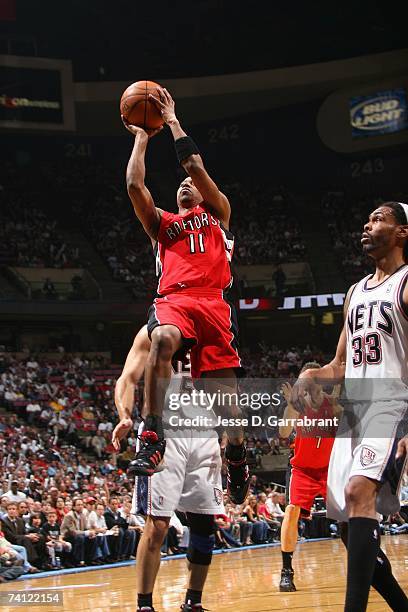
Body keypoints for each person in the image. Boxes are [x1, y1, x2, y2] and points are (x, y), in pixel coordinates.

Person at [122, 87, 248, 505]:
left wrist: (171, 120)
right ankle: (152, 434)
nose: (183, 187)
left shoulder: (219, 213)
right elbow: (134, 184)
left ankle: (236, 457)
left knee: (230, 412)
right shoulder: (163, 226)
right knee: (160, 339)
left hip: (213, 303)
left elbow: (192, 163)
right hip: (175, 300)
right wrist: (141, 137)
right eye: (178, 187)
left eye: (188, 185)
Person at [291, 201, 408, 611]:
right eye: (368, 218)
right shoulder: (355, 291)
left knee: (360, 493)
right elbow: (339, 364)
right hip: (354, 411)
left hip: (392, 404)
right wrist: (311, 377)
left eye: (379, 219)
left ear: (401, 233)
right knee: (345, 522)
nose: (367, 223)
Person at [113, 325, 225, 612]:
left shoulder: (214, 326)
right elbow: (127, 379)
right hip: (165, 432)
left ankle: (193, 602)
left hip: (204, 432)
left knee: (204, 524)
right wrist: (125, 416)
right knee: (158, 524)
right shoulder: (152, 332)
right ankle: (144, 605)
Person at [278, 365, 341, 592]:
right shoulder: (298, 404)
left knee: (349, 517)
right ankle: (287, 571)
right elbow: (284, 433)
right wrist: (290, 406)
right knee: (291, 511)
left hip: (329, 469)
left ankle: (365, 562)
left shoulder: (332, 403)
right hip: (303, 470)